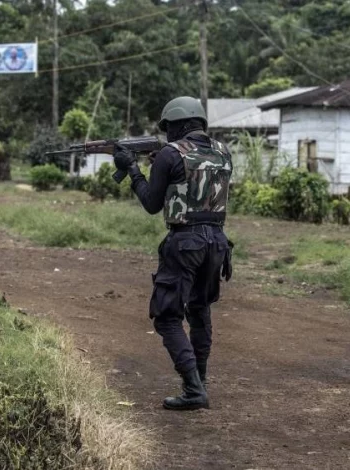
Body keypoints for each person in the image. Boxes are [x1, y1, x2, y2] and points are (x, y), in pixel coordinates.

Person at [113, 96, 233, 411]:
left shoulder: (169, 154)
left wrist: (133, 170)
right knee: (200, 311)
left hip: (185, 242)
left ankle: (194, 390)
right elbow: (195, 182)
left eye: (169, 128)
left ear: (179, 124)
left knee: (167, 317)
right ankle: (200, 382)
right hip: (217, 242)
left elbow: (152, 203)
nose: (167, 134)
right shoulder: (223, 152)